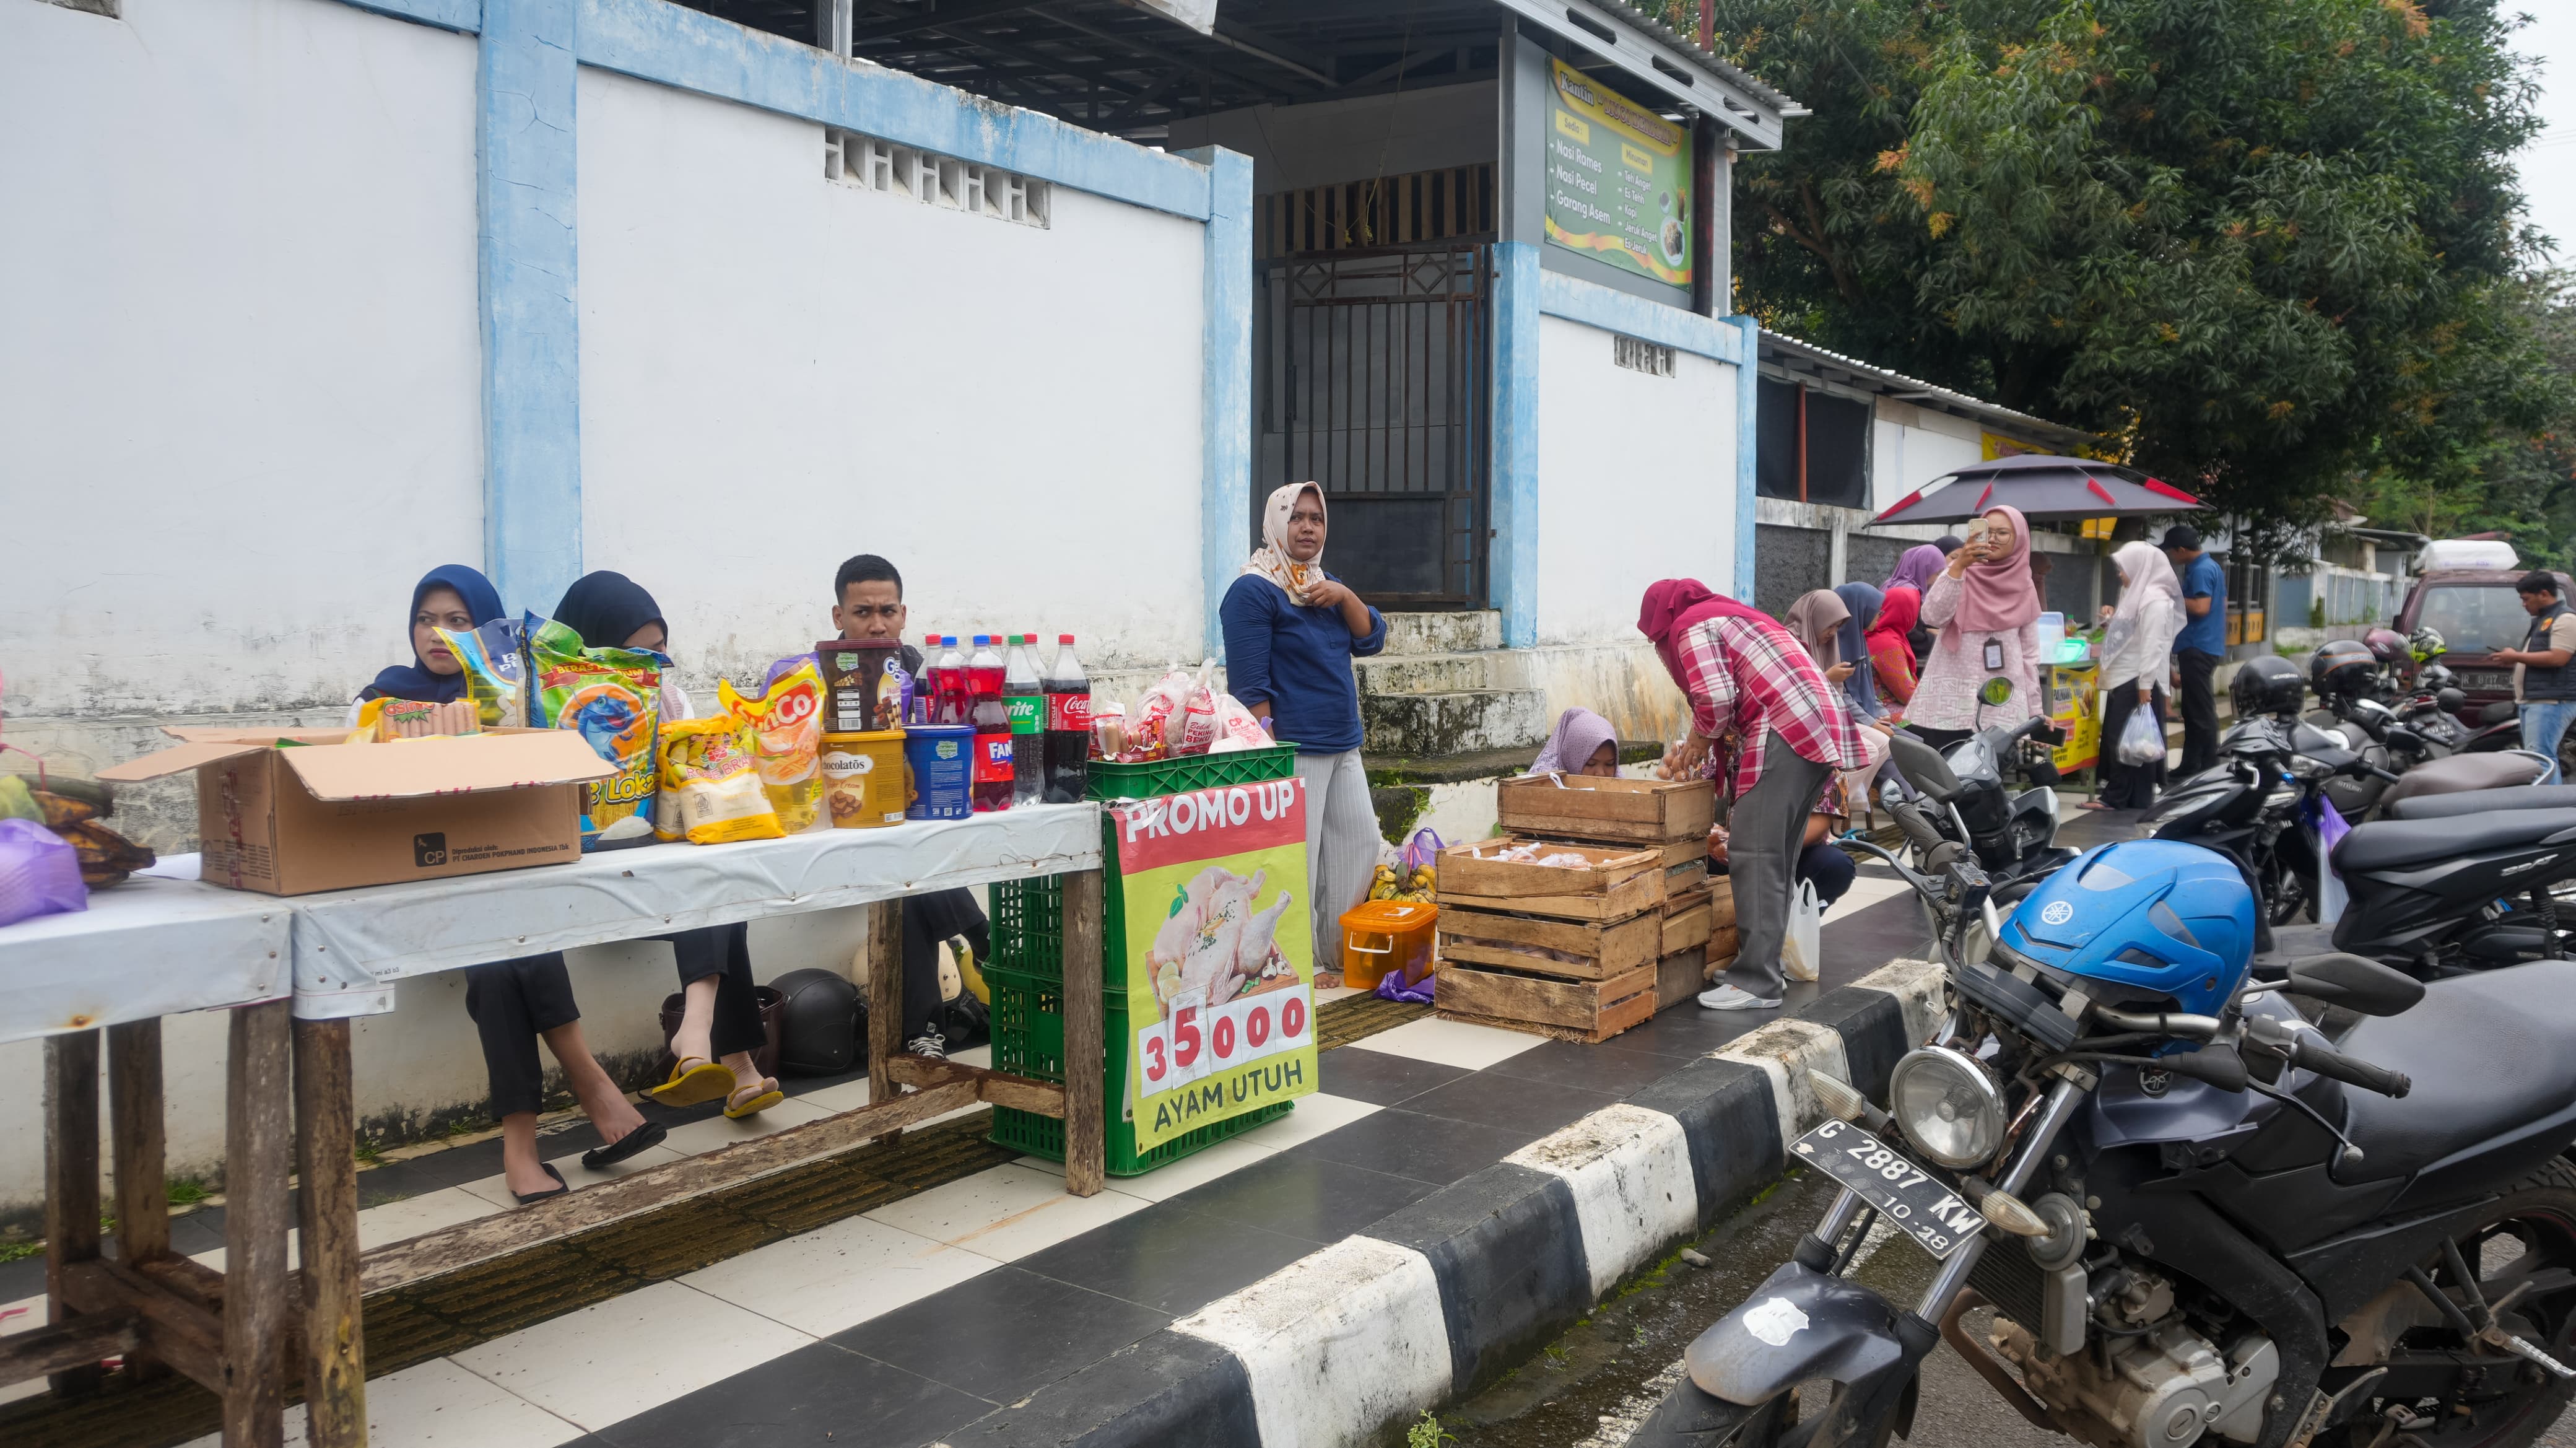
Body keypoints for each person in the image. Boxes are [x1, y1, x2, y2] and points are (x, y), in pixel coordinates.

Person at [353, 566, 665, 1204]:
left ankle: (521, 1144)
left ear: (487, 628)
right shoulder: (378, 702)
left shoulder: (514, 698)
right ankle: (588, 1085)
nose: (439, 634)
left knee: (511, 942)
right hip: (414, 882)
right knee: (507, 938)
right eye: (426, 618)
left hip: (501, 877)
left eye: (459, 621)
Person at [550, 571, 785, 1125]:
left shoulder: (670, 697)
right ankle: (725, 1053)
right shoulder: (558, 704)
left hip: (660, 863)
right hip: (588, 872)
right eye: (636, 654)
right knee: (707, 886)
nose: (653, 667)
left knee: (714, 874)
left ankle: (707, 1041)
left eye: (660, 651)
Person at [1640, 580, 1868, 1011]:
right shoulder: (1734, 617)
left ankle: (1757, 982)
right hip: (1814, 722)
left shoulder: (1690, 626)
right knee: (1776, 853)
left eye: (1655, 641)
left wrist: (1697, 740)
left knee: (1754, 850)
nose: (1660, 649)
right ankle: (1763, 965)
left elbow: (1716, 696)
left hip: (1785, 726)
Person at [827, 553, 991, 1060]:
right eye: (862, 612)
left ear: (904, 613)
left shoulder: (922, 671)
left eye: (888, 610)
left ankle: (924, 1030)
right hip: (845, 824)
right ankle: (985, 940)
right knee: (906, 862)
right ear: (839, 617)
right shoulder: (819, 676)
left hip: (914, 828)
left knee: (908, 871)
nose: (877, 624)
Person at [1222, 482, 1388, 967]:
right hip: (1295, 747)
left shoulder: (1320, 584)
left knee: (1358, 843)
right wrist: (1268, 756)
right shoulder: (1254, 590)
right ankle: (1304, 963)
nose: (1308, 527)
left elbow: (1372, 638)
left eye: (1316, 518)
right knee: (1300, 859)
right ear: (1276, 523)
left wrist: (1346, 594)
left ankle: (1339, 954)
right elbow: (1251, 688)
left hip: (1343, 742)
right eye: (1297, 517)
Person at [1908, 506, 2043, 750]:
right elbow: (1932, 616)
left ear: (2020, 539)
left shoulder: (2025, 585)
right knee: (1946, 780)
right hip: (1950, 701)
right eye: (1987, 531)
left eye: (2002, 533)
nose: (1992, 539)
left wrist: (2036, 712)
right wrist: (1959, 566)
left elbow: (2030, 656)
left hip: (2000, 701)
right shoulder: (1957, 572)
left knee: (1985, 779)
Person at [2088, 541, 2183, 811]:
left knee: (2124, 740)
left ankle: (2115, 798)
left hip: (2137, 678)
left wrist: (2144, 686)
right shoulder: (2137, 593)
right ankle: (2137, 798)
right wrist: (2111, 618)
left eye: (2123, 568)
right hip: (2128, 676)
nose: (2120, 574)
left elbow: (2154, 645)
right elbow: (2132, 634)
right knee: (2136, 741)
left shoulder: (2155, 600)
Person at [2494, 570, 2576, 783]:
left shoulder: (2566, 619)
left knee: (2542, 759)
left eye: (2526, 599)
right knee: (2538, 757)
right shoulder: (2543, 620)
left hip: (2552, 700)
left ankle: (2550, 811)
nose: (2523, 604)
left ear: (2544, 594)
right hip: (2536, 699)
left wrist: (2516, 656)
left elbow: (2559, 658)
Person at [2164, 525, 2226, 776]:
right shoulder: (2209, 567)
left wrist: (2171, 596)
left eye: (2171, 552)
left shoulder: (2201, 570)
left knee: (2200, 711)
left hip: (2198, 646)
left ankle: (2210, 768)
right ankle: (2190, 765)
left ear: (2181, 550)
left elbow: (2201, 607)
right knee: (2191, 709)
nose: (2170, 557)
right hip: (2203, 645)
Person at [1882, 543, 1948, 665]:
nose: (1938, 578)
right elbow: (1910, 634)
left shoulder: (1889, 584)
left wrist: (1927, 630)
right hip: (1900, 658)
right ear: (1924, 569)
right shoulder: (1911, 592)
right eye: (1937, 573)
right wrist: (1935, 639)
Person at [1831, 582, 1884, 720]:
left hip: (1868, 715)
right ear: (1860, 610)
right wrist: (1872, 723)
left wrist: (1883, 714)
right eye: (1877, 611)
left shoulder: (1859, 639)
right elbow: (1841, 694)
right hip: (1850, 719)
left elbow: (1869, 690)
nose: (1880, 616)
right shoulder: (1832, 644)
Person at [1865, 587, 1920, 710]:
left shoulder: (1887, 636)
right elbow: (1907, 695)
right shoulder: (1887, 644)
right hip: (1891, 713)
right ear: (1906, 612)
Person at [1528, 706, 1620, 778]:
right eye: (1591, 764)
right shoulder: (1538, 793)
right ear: (1571, 760)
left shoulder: (1624, 794)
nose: (1601, 774)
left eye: (1610, 764)